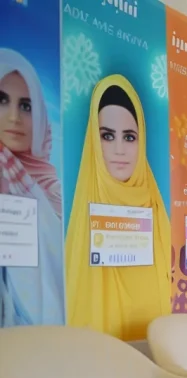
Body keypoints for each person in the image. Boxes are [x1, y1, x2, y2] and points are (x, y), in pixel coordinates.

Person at [65, 75, 171, 340]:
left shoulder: (155, 208)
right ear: (93, 139)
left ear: (142, 140)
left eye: (130, 137)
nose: (120, 149)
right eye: (107, 136)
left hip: (156, 356)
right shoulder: (85, 210)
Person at [0, 48, 64, 326]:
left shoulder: (52, 187)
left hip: (46, 336)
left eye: (26, 106)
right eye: (2, 100)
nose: (14, 117)